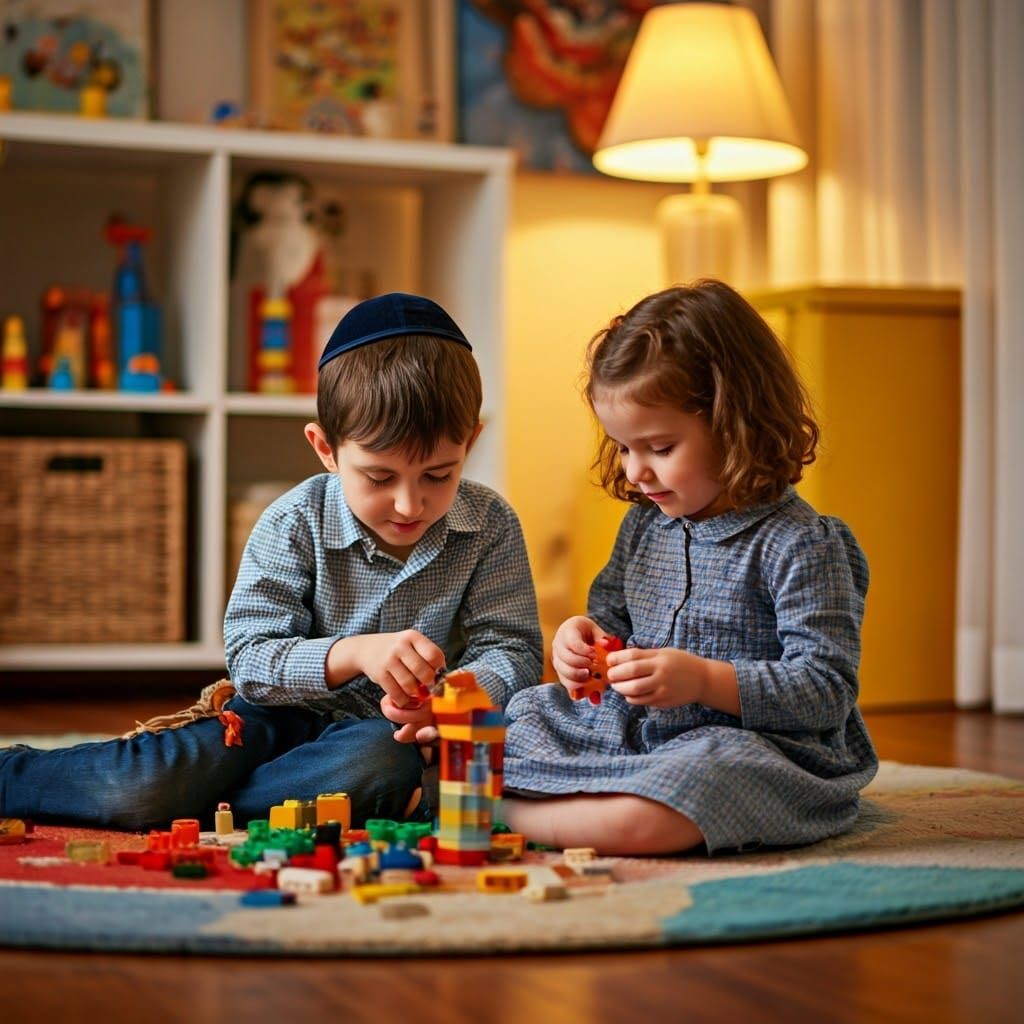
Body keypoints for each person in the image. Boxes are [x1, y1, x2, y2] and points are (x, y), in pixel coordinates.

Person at [0, 293, 543, 831]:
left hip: (385, 736)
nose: (409, 504)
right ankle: (18, 775)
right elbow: (250, 658)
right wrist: (352, 653)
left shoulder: (490, 525)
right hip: (267, 718)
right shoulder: (294, 521)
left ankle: (199, 802)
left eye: (438, 476)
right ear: (326, 448)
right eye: (379, 478)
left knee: (380, 763)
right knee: (143, 783)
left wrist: (453, 699)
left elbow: (513, 648)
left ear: (470, 442)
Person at [498, 279, 878, 856]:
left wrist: (704, 681)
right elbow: (610, 626)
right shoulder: (646, 526)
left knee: (698, 783)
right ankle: (569, 804)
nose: (634, 472)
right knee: (522, 711)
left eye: (660, 447)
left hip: (753, 746)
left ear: (736, 424)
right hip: (638, 733)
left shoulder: (803, 545)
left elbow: (825, 690)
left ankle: (503, 807)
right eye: (623, 447)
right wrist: (581, 643)